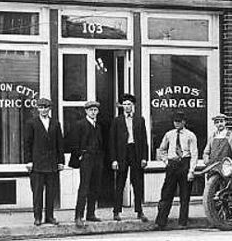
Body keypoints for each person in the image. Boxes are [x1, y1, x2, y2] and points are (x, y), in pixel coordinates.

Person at [24, 98, 65, 226]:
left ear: (49, 108)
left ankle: (50, 216)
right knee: (37, 192)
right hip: (37, 164)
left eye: (46, 107)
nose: (43, 110)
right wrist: (29, 161)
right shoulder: (32, 123)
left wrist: (60, 161)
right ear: (37, 109)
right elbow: (27, 143)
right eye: (41, 107)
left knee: (51, 192)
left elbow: (60, 143)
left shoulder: (55, 123)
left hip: (52, 164)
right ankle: (37, 217)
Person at [154, 112, 199, 230]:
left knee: (185, 195)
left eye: (179, 121)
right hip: (172, 164)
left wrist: (191, 171)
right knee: (166, 193)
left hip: (185, 163)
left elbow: (194, 154)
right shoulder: (169, 134)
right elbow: (162, 149)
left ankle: (182, 222)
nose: (177, 123)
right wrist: (166, 161)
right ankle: (161, 222)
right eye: (175, 121)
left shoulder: (190, 135)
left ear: (184, 122)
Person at [109, 93, 149, 222]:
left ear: (133, 106)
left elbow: (144, 140)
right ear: (122, 106)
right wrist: (114, 159)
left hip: (135, 152)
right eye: (124, 104)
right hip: (122, 153)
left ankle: (139, 211)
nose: (127, 107)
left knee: (137, 183)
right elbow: (112, 141)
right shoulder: (117, 120)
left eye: (129, 104)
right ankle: (116, 211)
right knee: (120, 183)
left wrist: (144, 158)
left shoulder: (140, 120)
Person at [68, 100, 105, 228]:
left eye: (95, 110)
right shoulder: (80, 124)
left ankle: (91, 214)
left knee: (95, 187)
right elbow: (74, 142)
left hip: (97, 159)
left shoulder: (98, 126)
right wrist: (80, 155)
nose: (93, 112)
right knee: (84, 187)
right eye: (91, 110)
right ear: (86, 111)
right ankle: (78, 216)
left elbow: (101, 143)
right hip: (86, 158)